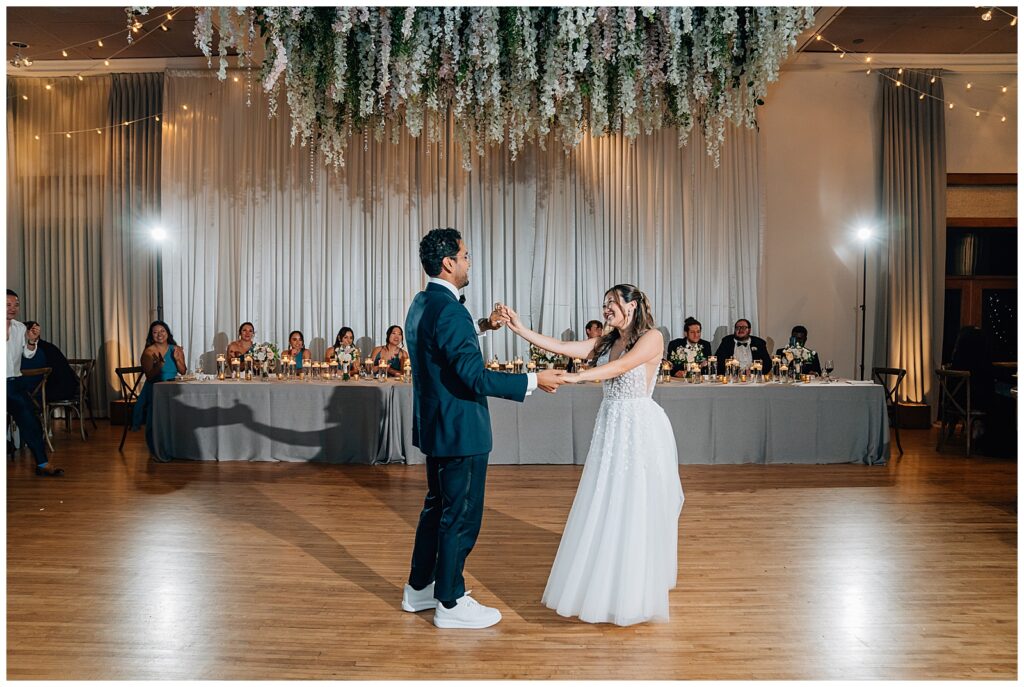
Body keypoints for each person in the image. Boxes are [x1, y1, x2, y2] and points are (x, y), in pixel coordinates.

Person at [401, 227, 565, 630]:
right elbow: (474, 377)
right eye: (466, 255)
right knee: (462, 516)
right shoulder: (449, 310)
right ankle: (451, 603)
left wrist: (485, 326)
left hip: (437, 427)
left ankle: (419, 588)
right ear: (449, 263)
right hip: (462, 430)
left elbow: (440, 344)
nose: (469, 261)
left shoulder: (423, 303)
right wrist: (532, 380)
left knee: (436, 508)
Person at [502, 283, 684, 626]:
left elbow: (620, 368)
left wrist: (577, 378)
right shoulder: (607, 342)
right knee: (606, 500)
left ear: (631, 306)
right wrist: (520, 328)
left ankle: (634, 588)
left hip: (638, 427)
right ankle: (606, 580)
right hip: (611, 426)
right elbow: (563, 346)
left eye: (611, 304)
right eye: (604, 305)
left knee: (634, 503)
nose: (605, 310)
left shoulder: (652, 337)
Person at [6, 290, 63, 476]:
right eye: (8, 304)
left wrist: (31, 341)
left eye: (16, 304)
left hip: (14, 383)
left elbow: (27, 354)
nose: (13, 308)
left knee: (31, 422)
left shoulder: (20, 328)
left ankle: (42, 464)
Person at [131, 320, 187, 456]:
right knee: (156, 416)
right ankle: (157, 447)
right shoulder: (149, 352)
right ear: (151, 335)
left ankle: (177, 445)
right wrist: (158, 366)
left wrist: (178, 359)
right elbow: (150, 377)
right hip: (155, 389)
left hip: (173, 387)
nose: (159, 334)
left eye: (162, 331)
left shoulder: (175, 348)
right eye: (155, 332)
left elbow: (183, 371)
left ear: (167, 333)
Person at [20, 321, 78, 402]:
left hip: (57, 390)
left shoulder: (39, 350)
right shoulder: (46, 346)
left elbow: (29, 375)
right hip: (68, 387)